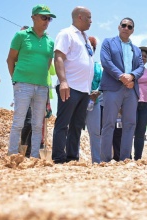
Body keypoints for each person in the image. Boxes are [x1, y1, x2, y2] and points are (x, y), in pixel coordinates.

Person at [7, 4, 56, 158]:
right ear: (33, 17)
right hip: (22, 84)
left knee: (37, 124)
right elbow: (10, 59)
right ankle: (13, 155)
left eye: (49, 18)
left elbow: (48, 64)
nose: (46, 21)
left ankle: (34, 157)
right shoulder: (21, 36)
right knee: (19, 122)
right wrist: (15, 79)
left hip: (42, 87)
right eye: (43, 17)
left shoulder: (50, 42)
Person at [52, 6, 94, 164]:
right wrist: (63, 82)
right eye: (89, 17)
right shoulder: (66, 34)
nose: (91, 21)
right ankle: (58, 157)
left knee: (77, 125)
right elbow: (59, 58)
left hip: (84, 90)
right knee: (63, 123)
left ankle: (72, 157)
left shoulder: (85, 37)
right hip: (69, 87)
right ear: (80, 17)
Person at [100, 17, 144, 162]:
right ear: (119, 27)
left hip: (131, 89)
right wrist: (121, 77)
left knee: (130, 124)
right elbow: (106, 61)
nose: (126, 28)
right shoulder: (108, 42)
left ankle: (125, 159)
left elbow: (141, 68)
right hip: (112, 88)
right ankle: (105, 160)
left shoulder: (136, 50)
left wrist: (131, 76)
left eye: (129, 26)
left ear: (132, 30)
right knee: (109, 123)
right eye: (123, 25)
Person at [86, 36, 102, 163]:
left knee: (95, 132)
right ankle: (71, 159)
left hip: (94, 102)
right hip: (77, 100)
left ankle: (96, 161)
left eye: (93, 47)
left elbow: (103, 83)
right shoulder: (77, 64)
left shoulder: (98, 67)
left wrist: (98, 92)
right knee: (72, 129)